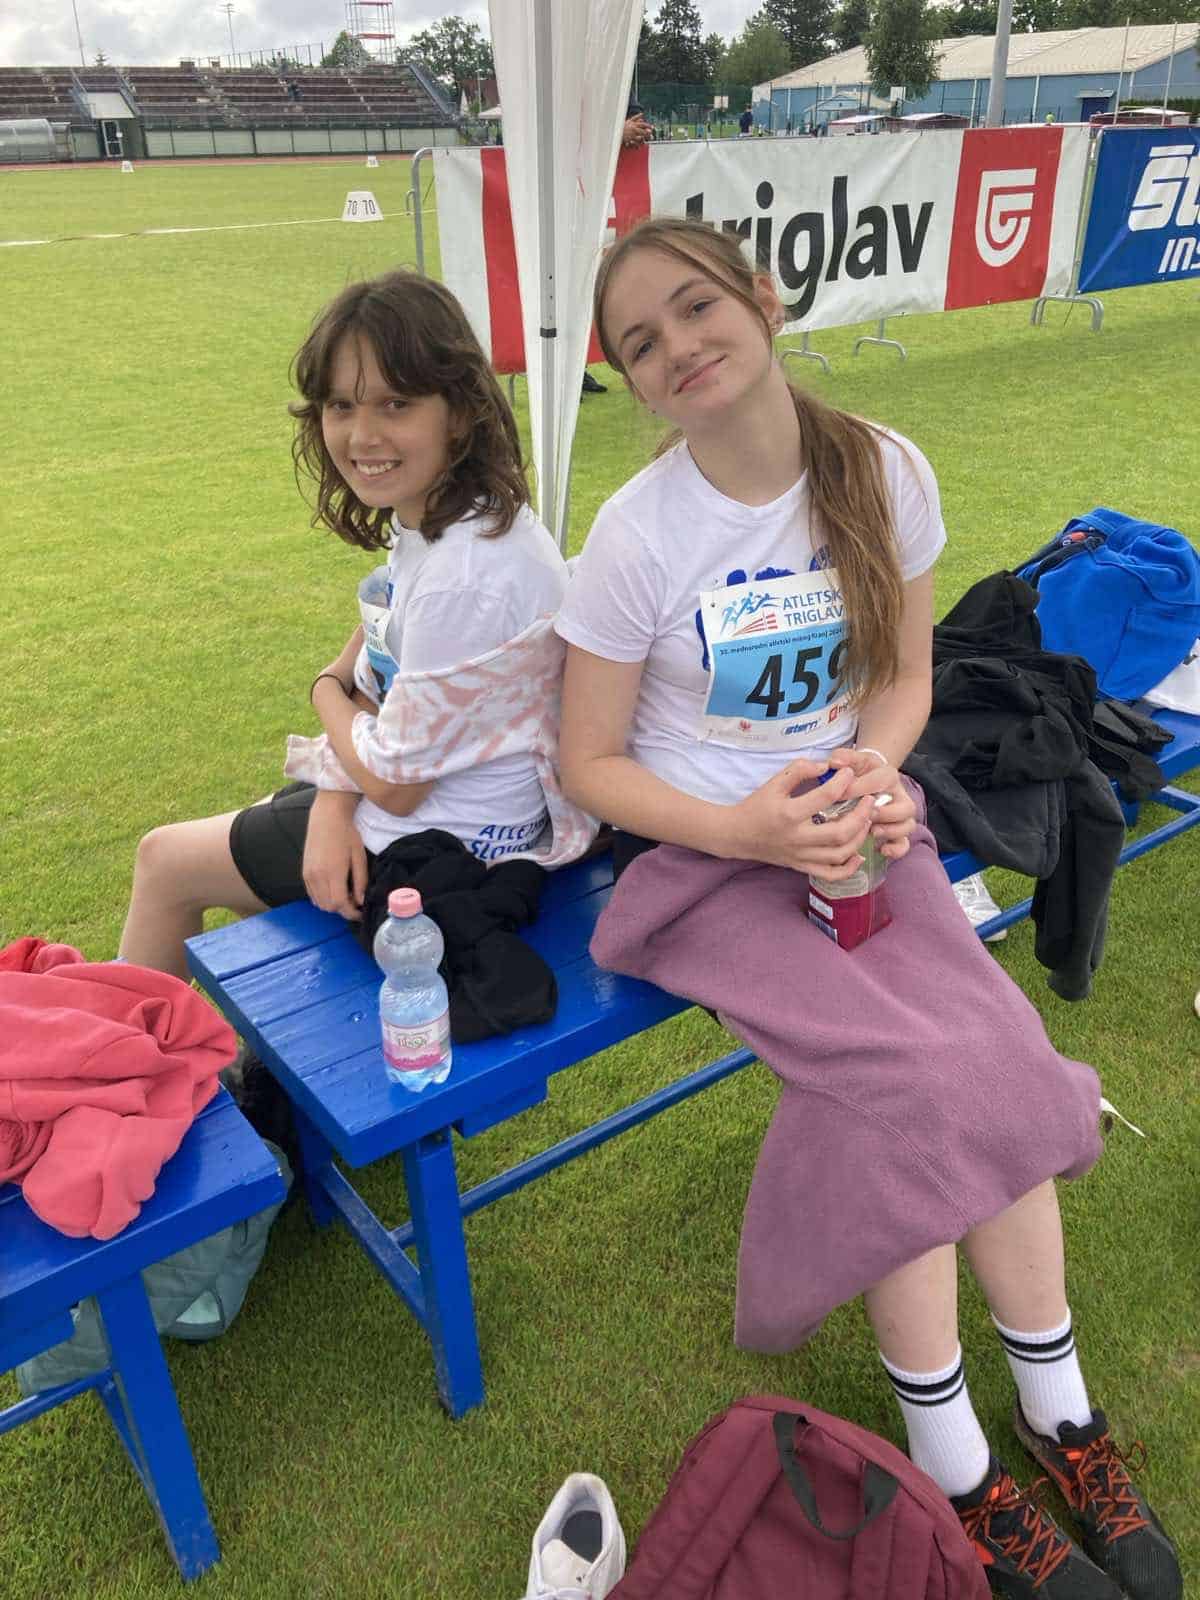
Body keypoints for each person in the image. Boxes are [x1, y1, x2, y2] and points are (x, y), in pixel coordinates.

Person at [554, 217, 1181, 1600]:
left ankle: (1058, 1412)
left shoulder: (882, 467)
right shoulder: (636, 536)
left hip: (854, 829)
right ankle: (953, 1464)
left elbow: (901, 681)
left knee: (1000, 1054)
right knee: (912, 1086)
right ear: (632, 380)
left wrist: (876, 778)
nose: (677, 349)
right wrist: (748, 826)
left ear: (763, 298)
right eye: (641, 343)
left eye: (695, 307)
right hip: (706, 865)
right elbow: (586, 765)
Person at [120, 269, 593, 981]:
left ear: (458, 412)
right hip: (436, 810)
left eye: (395, 403)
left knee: (165, 862)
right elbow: (381, 653)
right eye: (341, 405)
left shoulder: (464, 574)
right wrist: (332, 801)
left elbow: (397, 782)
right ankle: (238, 1048)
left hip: (443, 846)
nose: (362, 435)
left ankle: (118, 1053)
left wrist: (323, 694)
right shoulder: (453, 521)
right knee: (258, 845)